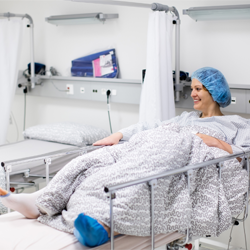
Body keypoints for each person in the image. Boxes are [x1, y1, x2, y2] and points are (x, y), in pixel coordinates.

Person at [0, 67, 249, 248]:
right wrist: (119, 134)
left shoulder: (236, 124)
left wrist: (215, 142)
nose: (192, 94)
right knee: (98, 159)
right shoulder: (185, 119)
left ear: (214, 92)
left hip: (189, 151)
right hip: (160, 142)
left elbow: (244, 157)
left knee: (137, 174)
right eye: (192, 88)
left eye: (198, 89)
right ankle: (41, 201)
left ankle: (103, 225)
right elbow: (151, 127)